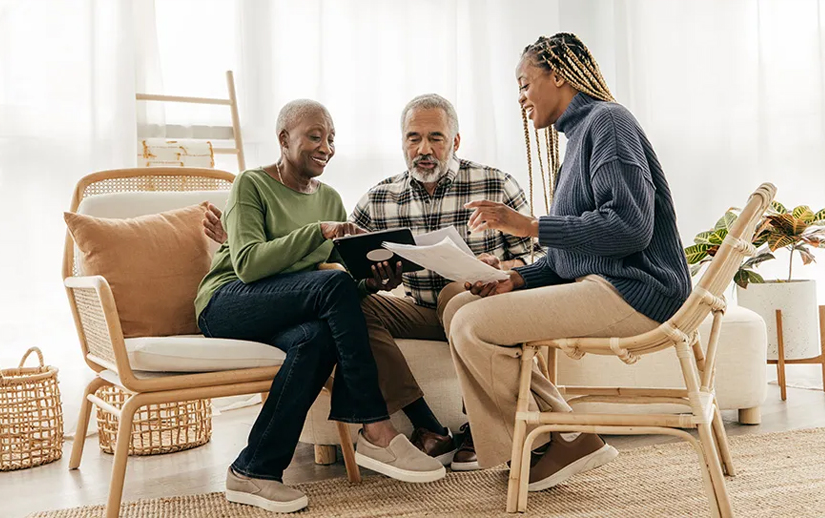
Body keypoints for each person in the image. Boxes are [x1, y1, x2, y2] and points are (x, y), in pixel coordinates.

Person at [204, 94, 539, 471]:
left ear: (455, 142)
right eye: (413, 138)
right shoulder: (376, 198)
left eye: (436, 138)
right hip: (410, 308)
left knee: (444, 294)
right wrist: (376, 282)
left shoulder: (495, 184)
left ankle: (259, 466)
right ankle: (405, 427)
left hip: (472, 305)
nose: (423, 148)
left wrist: (501, 265)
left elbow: (535, 257)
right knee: (349, 303)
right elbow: (335, 268)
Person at [442, 33, 692, 491]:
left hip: (640, 290)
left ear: (558, 75)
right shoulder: (579, 137)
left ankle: (553, 439)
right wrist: (516, 278)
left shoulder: (609, 123)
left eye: (524, 83)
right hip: (605, 284)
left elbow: (630, 227)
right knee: (458, 306)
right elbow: (566, 259)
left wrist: (531, 226)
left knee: (470, 324)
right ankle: (563, 436)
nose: (520, 99)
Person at [195, 99, 444, 514]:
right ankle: (375, 428)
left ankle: (253, 469)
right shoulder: (251, 184)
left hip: (286, 310)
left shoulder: (329, 197)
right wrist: (317, 232)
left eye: (331, 138)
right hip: (227, 301)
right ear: (283, 139)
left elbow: (338, 294)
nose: (326, 146)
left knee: (317, 337)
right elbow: (250, 264)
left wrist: (371, 282)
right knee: (330, 286)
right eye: (315, 136)